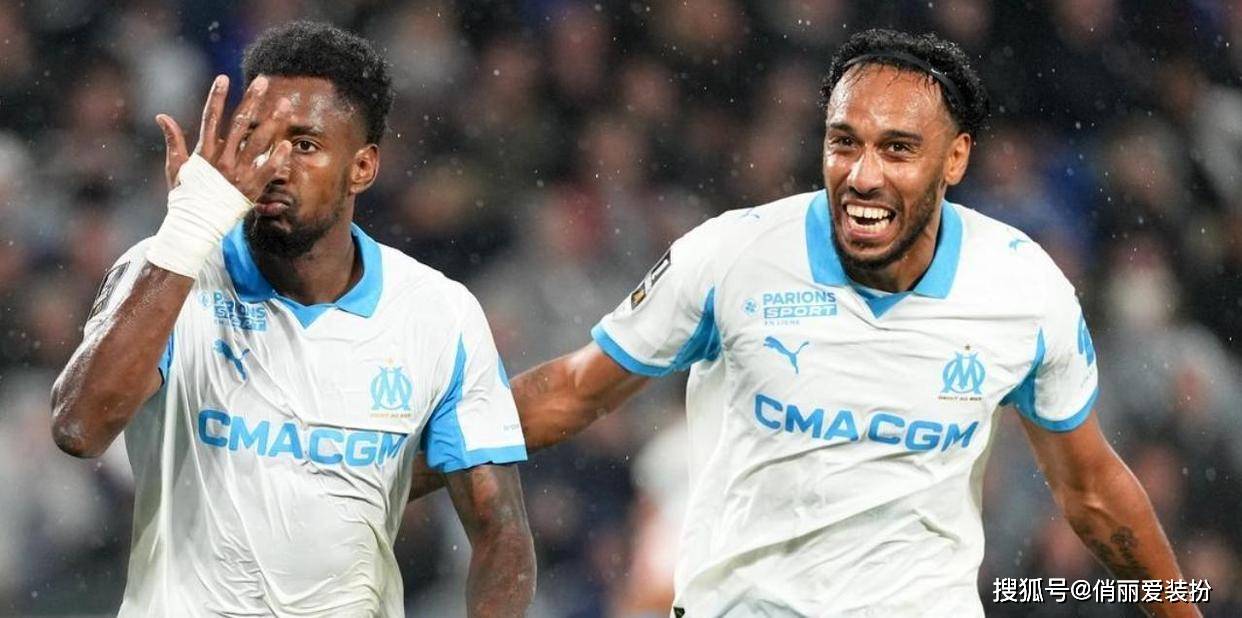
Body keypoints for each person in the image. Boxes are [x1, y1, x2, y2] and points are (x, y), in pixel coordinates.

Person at [411, 29, 1199, 617]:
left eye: (898, 149)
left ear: (955, 160)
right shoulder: (733, 255)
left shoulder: (1023, 288)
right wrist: (398, 472)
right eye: (843, 143)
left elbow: (1092, 489)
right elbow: (576, 390)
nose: (863, 175)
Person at [50, 21, 534, 617]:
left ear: (362, 168)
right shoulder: (168, 274)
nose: (272, 165)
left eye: (304, 145)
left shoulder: (439, 313)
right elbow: (78, 428)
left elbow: (501, 529)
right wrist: (186, 235)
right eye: (256, 137)